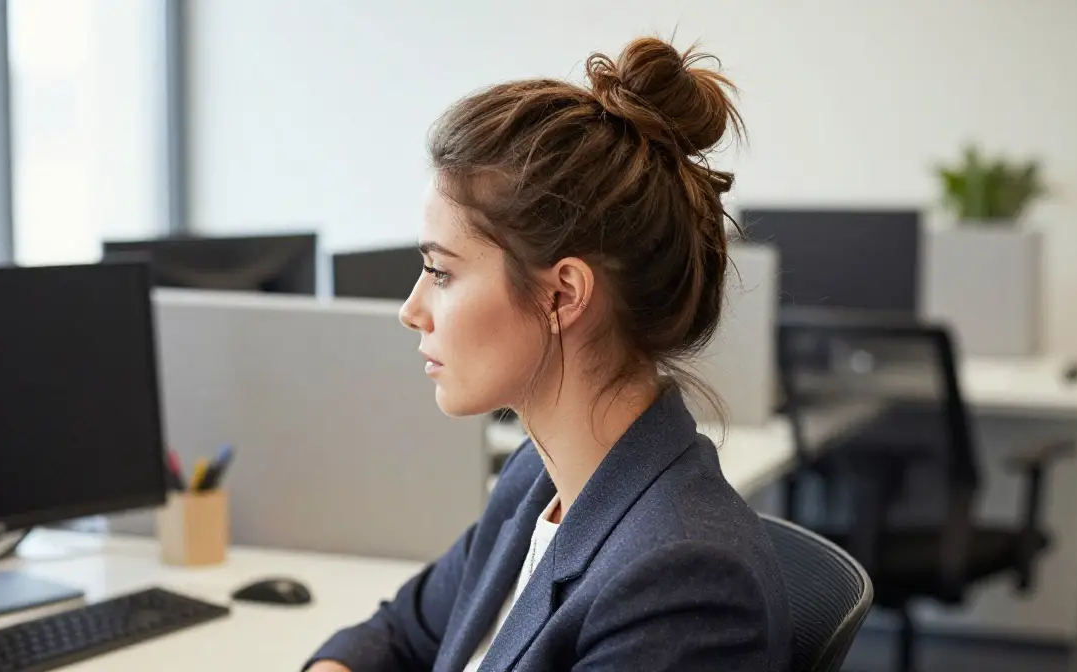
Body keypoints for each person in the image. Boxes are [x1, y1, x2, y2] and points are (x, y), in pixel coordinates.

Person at [306, 35, 792, 672]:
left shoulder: (682, 586)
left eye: (441, 272)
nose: (411, 309)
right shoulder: (538, 483)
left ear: (562, 295)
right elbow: (398, 634)